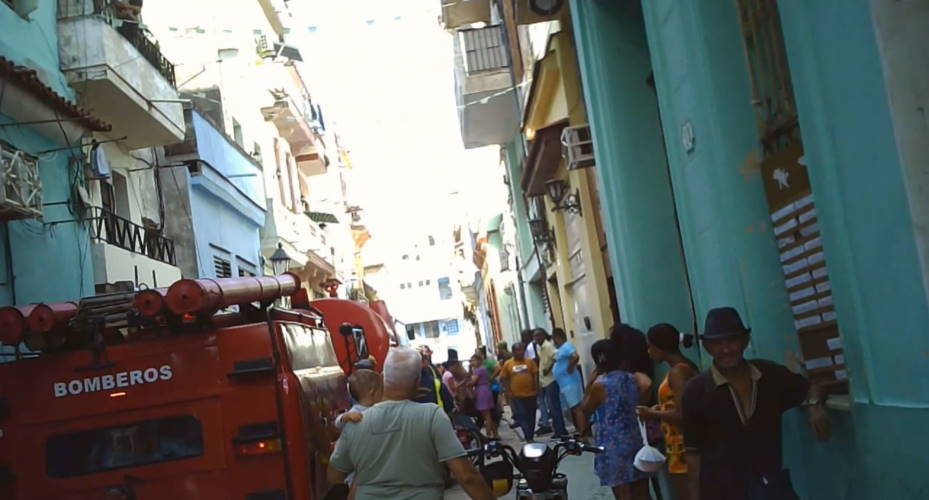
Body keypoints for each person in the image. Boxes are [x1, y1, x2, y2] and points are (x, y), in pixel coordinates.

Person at [681, 307, 831, 500]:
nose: (726, 349)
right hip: (723, 491)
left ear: (745, 341)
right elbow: (693, 452)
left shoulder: (768, 374)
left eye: (732, 340)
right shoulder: (696, 390)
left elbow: (811, 386)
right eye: (718, 343)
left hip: (770, 486)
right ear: (707, 347)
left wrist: (815, 406)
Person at [327, 347, 495, 500]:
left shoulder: (356, 420)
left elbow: (334, 476)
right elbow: (467, 476)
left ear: (383, 378)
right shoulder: (431, 416)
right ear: (417, 382)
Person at [581, 339, 652, 500]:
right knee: (641, 489)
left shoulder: (600, 385)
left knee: (622, 492)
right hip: (634, 437)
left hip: (611, 442)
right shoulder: (631, 378)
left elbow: (586, 408)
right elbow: (647, 385)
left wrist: (589, 384)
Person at [636, 323, 698, 500]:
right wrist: (661, 409)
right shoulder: (681, 368)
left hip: (683, 446)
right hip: (677, 445)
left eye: (650, 347)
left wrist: (652, 414)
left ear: (659, 347)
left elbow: (683, 414)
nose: (648, 352)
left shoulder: (679, 371)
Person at [499, 342, 539, 441]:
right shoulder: (508, 363)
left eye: (522, 350)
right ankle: (528, 436)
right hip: (517, 395)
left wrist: (537, 387)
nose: (521, 352)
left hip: (531, 394)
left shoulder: (529, 362)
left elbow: (535, 374)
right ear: (513, 352)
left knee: (531, 415)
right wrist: (508, 390)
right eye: (518, 350)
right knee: (522, 415)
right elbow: (503, 378)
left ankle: (531, 434)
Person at [551, 328, 585, 434]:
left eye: (554, 339)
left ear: (557, 338)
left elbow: (575, 356)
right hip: (565, 384)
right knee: (573, 409)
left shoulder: (566, 346)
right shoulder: (562, 348)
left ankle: (583, 434)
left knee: (577, 409)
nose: (553, 342)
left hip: (570, 383)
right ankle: (579, 431)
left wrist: (570, 367)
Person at [534, 328, 567, 436]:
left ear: (543, 336)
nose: (536, 339)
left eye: (538, 336)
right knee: (552, 407)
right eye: (535, 336)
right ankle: (560, 429)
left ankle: (560, 431)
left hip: (551, 380)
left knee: (554, 407)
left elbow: (557, 357)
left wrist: (549, 368)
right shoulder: (541, 348)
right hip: (545, 381)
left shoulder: (548, 346)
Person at [522, 329, 551, 433]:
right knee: (545, 399)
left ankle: (545, 421)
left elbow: (534, 363)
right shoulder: (537, 345)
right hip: (543, 375)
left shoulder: (531, 347)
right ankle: (546, 419)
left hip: (539, 376)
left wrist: (535, 379)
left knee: (541, 400)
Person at [413, 345, 453, 413]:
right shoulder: (433, 374)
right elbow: (449, 404)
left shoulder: (404, 384)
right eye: (425, 354)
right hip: (437, 415)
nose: (428, 355)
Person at [468, 354, 498, 438]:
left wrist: (467, 384)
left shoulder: (479, 370)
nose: (472, 362)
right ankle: (494, 434)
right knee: (487, 414)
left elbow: (473, 381)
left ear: (479, 361)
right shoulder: (482, 369)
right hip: (485, 390)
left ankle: (488, 434)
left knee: (486, 415)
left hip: (481, 391)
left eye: (474, 360)